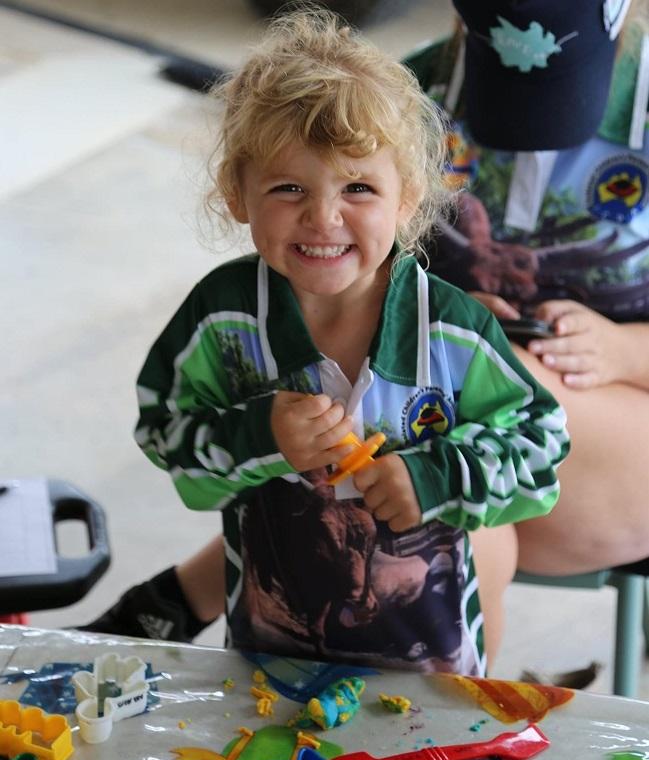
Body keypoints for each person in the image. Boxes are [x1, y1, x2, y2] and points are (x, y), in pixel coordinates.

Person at [78, 8, 569, 674]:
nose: (323, 216)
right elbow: (167, 434)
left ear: (408, 197)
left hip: (431, 673)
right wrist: (260, 436)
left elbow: (540, 445)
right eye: (287, 187)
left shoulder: (451, 331)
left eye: (358, 187)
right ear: (236, 193)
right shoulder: (223, 320)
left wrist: (433, 474)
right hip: (263, 664)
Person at [401, 0, 649, 657]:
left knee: (414, 462)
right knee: (440, 503)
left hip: (613, 420)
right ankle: (463, 721)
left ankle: (182, 596)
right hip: (440, 424)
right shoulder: (408, 92)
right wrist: (442, 310)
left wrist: (626, 348)